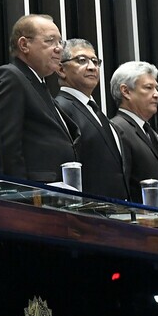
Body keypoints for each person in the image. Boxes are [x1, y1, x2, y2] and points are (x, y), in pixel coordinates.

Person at [0, 15, 78, 181]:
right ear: (24, 45)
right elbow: (8, 145)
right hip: (32, 193)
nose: (59, 48)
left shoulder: (38, 83)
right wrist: (21, 193)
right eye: (50, 41)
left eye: (60, 42)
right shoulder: (12, 76)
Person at [53, 39, 129, 198]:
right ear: (61, 69)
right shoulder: (60, 108)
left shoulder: (97, 111)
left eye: (95, 61)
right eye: (81, 60)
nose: (92, 67)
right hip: (88, 211)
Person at [108, 61, 158, 209]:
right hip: (143, 225)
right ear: (126, 91)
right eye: (149, 88)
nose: (157, 94)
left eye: (156, 88)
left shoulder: (150, 132)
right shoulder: (117, 128)